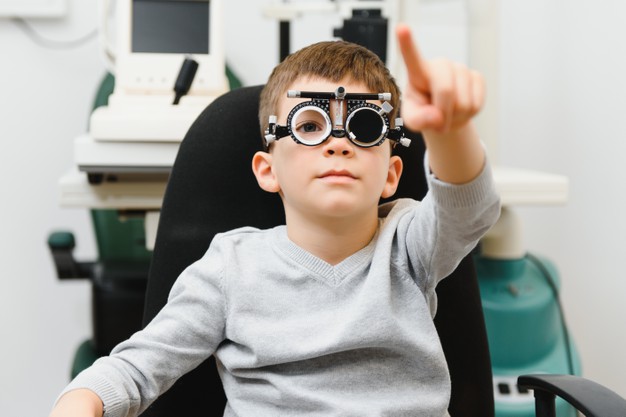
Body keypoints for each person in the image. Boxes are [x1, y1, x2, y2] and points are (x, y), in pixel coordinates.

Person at [49, 24, 500, 417]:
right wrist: (83, 399)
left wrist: (450, 130)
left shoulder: (409, 246)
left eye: (363, 127)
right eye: (309, 125)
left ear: (391, 175)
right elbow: (139, 365)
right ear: (268, 170)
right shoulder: (231, 268)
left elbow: (467, 208)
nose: (338, 143)